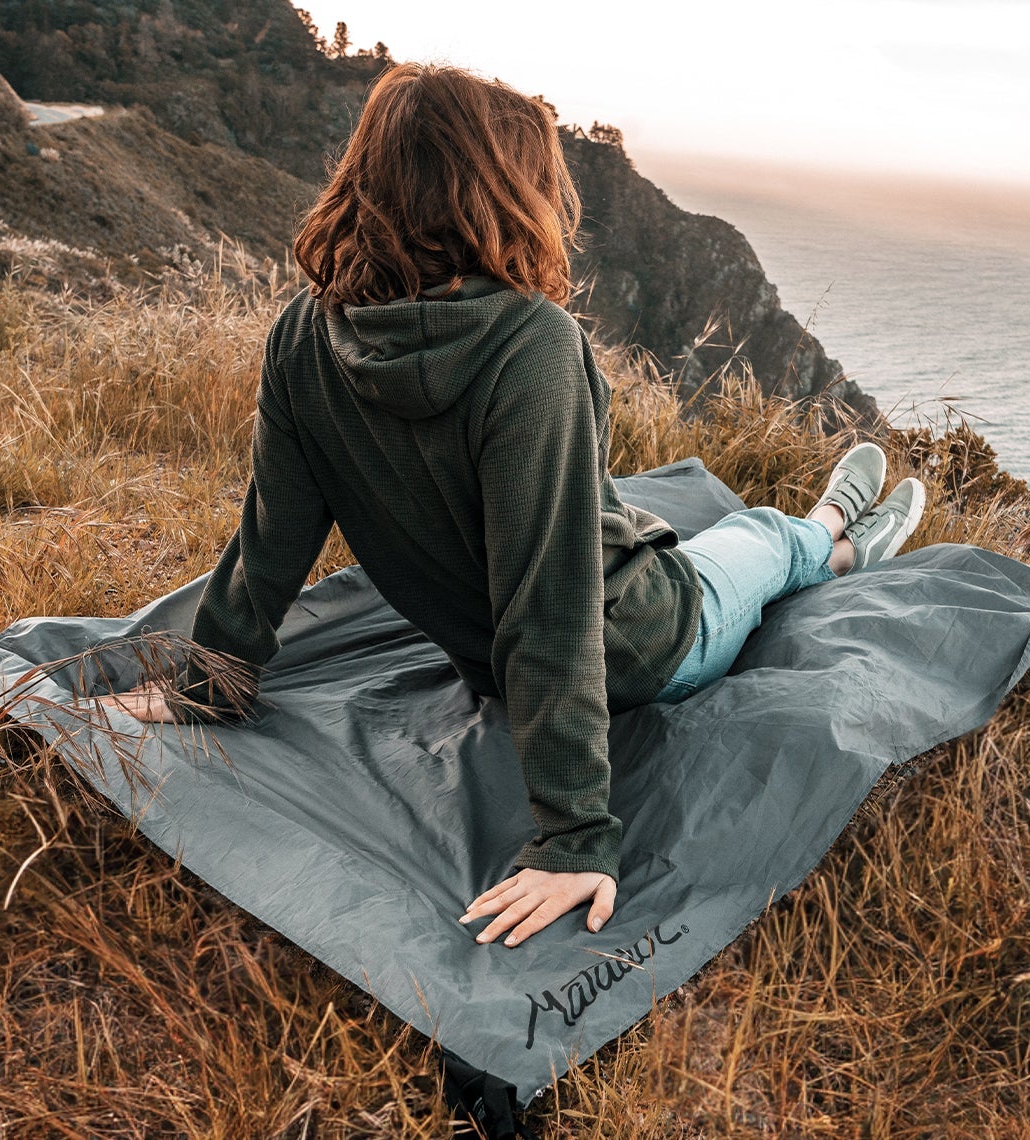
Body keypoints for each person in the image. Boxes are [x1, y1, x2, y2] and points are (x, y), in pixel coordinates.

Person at [102, 62, 928, 948]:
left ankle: (834, 531)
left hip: (495, 663)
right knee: (753, 538)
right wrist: (575, 836)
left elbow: (271, 540)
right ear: (499, 194)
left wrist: (209, 682)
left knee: (688, 537)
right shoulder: (530, 346)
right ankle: (834, 541)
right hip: (646, 642)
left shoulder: (308, 332)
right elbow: (550, 605)